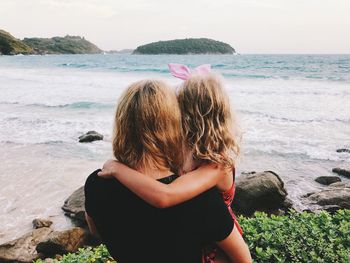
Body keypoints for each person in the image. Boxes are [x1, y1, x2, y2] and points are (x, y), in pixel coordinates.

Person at [84, 79, 252, 263]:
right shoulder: (201, 200)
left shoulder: (95, 184)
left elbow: (97, 232)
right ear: (172, 124)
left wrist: (117, 168)